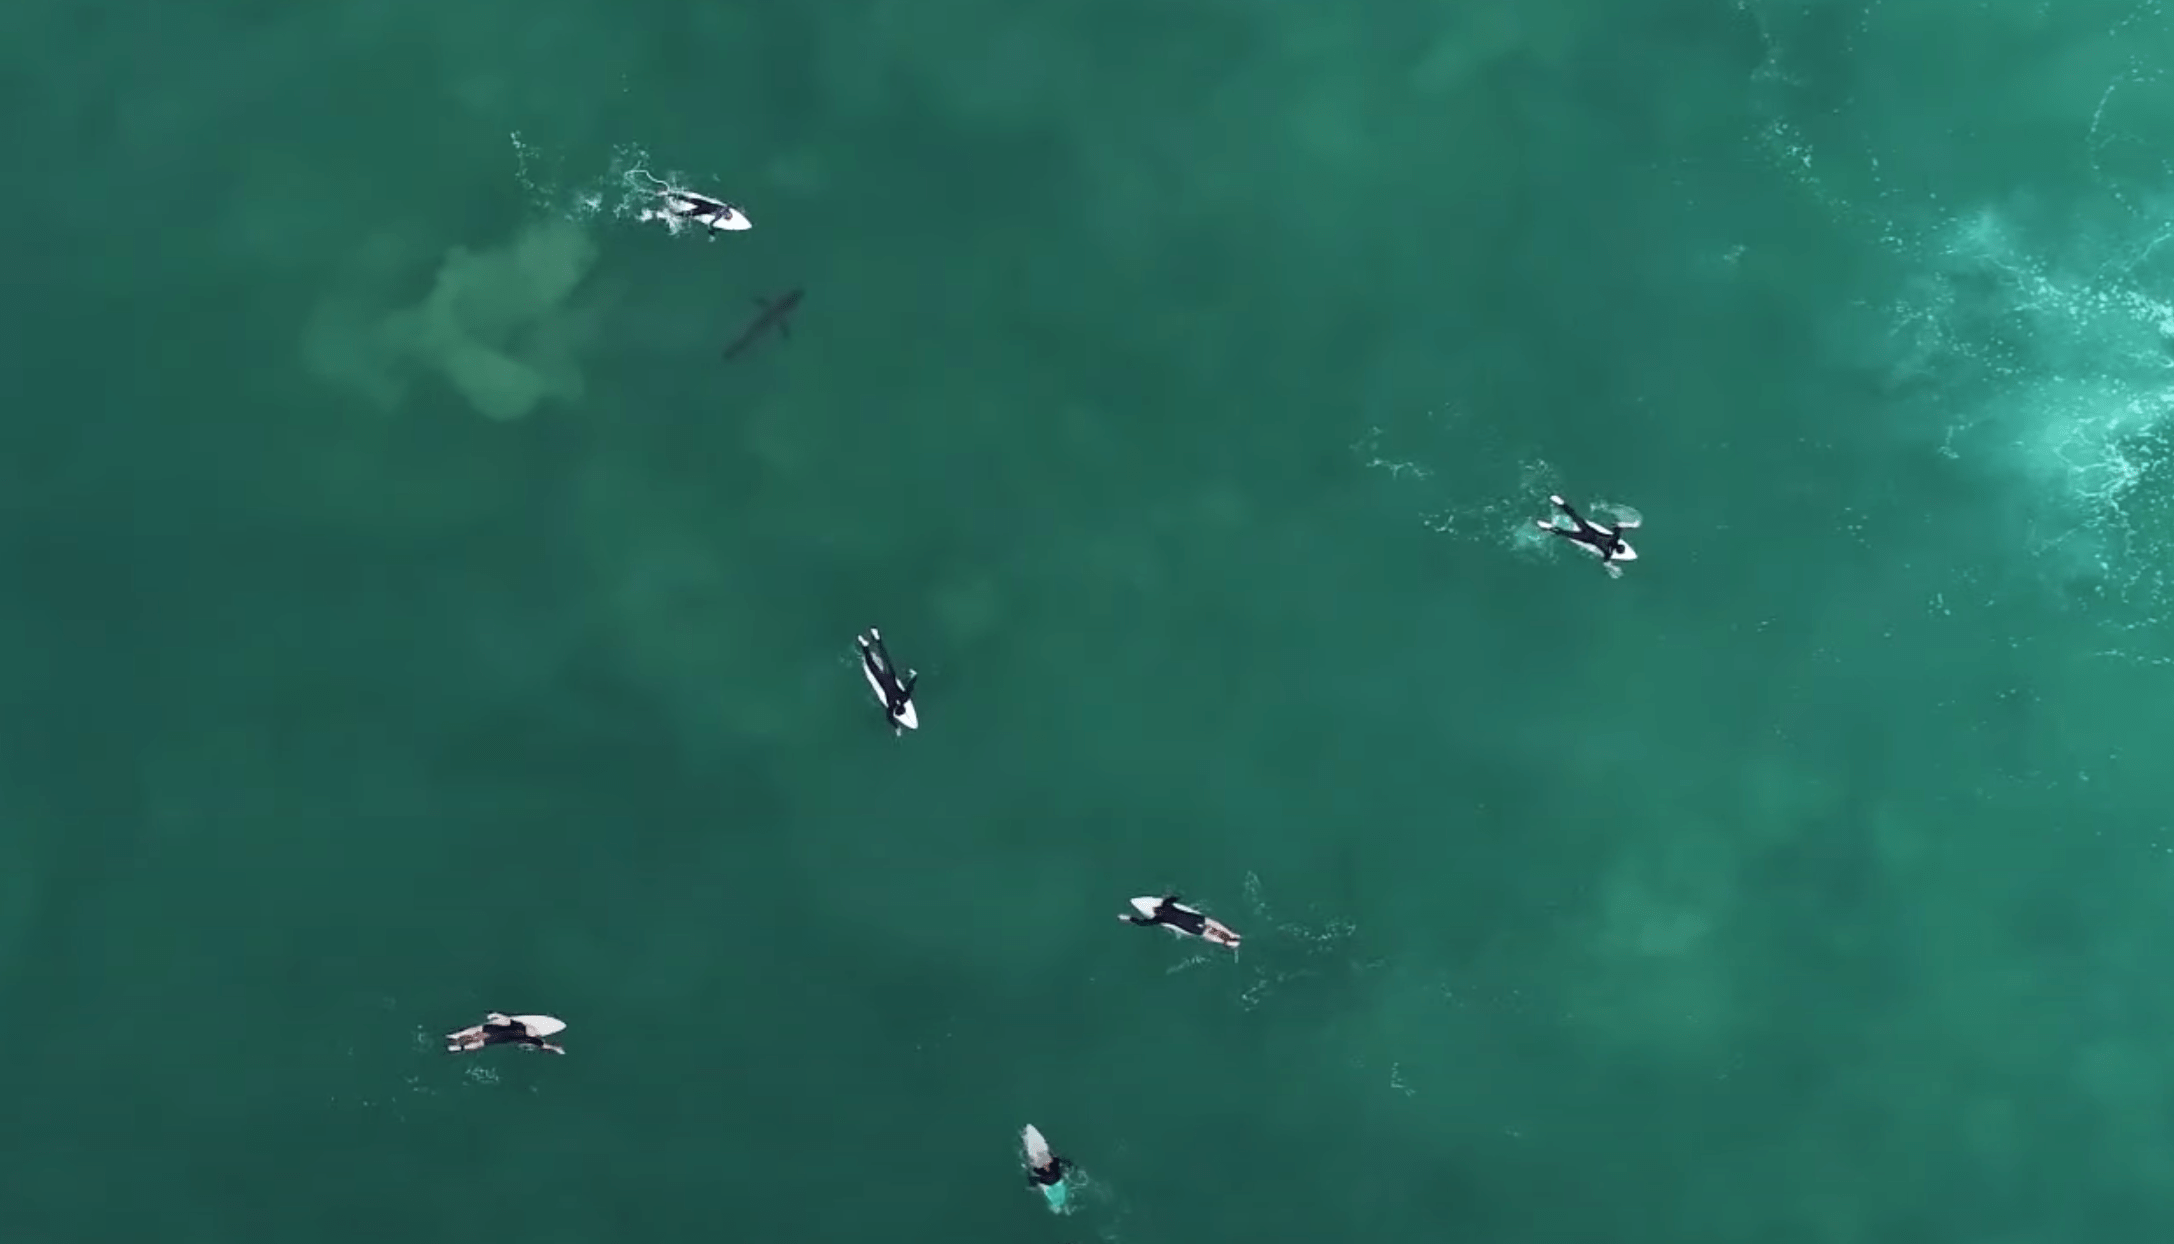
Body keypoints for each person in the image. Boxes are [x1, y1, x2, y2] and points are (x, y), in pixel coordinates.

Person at [1536, 494, 1638, 576]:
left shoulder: (1614, 538)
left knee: (1574, 515)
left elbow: (1618, 525)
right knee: (1564, 533)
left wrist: (1631, 525)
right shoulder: (1608, 553)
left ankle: (1560, 502)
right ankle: (1547, 526)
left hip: (1588, 529)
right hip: (1585, 538)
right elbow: (1605, 563)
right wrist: (1612, 568)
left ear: (1619, 544)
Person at [1119, 895, 1241, 950]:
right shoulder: (1166, 905)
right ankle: (1231, 935)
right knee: (1214, 925)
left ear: (1155, 913)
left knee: (1207, 934)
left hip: (1190, 927)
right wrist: (1175, 896)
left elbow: (1143, 923)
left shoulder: (1159, 919)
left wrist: (1129, 919)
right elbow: (1171, 899)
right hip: (1195, 918)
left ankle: (1228, 941)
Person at [856, 627, 920, 733]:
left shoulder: (904, 697)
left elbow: (910, 687)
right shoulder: (891, 705)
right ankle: (865, 644)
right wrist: (897, 728)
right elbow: (889, 718)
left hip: (890, 674)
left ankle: (877, 637)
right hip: (881, 678)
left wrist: (914, 676)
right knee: (870, 663)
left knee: (885, 656)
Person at [636, 184, 753, 236]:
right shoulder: (718, 216)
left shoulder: (724, 208)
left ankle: (666, 193)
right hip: (701, 210)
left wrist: (735, 207)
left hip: (702, 203)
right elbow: (711, 223)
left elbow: (730, 205)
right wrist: (711, 233)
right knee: (683, 215)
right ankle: (663, 214)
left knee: (688, 199)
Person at [445, 1012, 567, 1055]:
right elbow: (543, 1045)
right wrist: (556, 1049)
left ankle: (454, 1036)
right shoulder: (527, 1039)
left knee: (474, 1031)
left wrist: (495, 1014)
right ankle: (459, 1047)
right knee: (479, 1044)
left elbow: (506, 1020)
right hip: (497, 1038)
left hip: (492, 1030)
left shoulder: (519, 1025)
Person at [1021, 1125, 1075, 1214]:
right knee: (1061, 1199)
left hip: (1048, 1184)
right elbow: (1065, 1163)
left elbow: (1033, 1179)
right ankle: (1063, 1208)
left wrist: (1028, 1173)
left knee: (1056, 1203)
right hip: (1057, 1179)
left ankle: (1059, 1209)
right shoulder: (1054, 1162)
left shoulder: (1038, 1169)